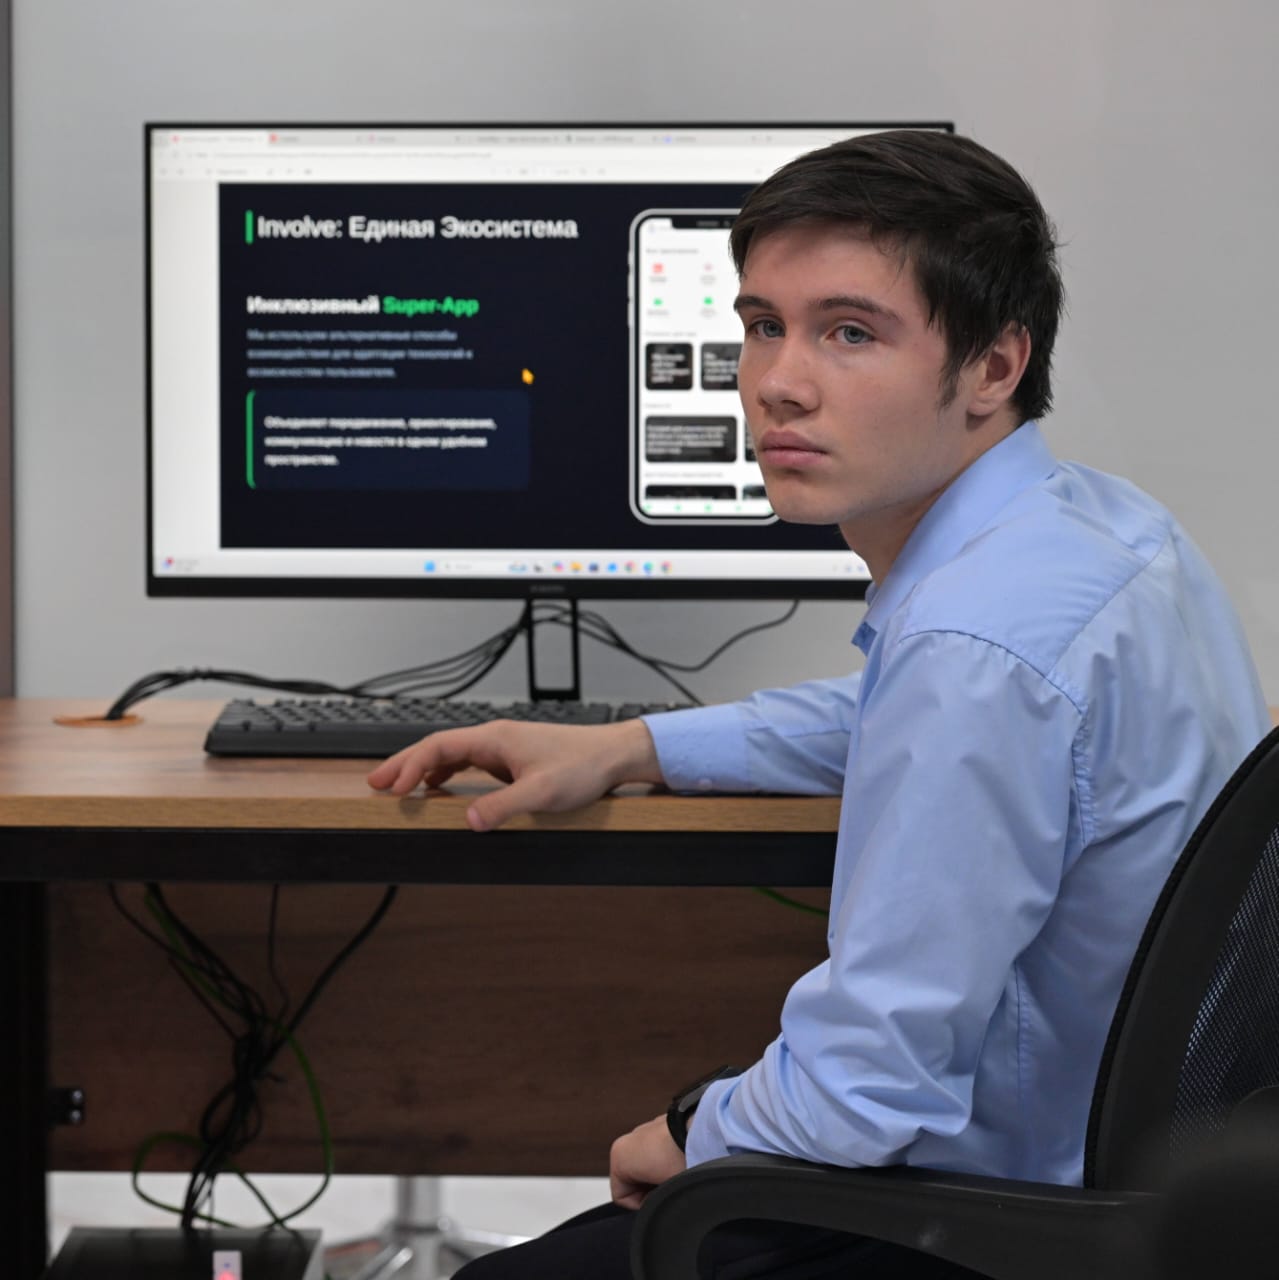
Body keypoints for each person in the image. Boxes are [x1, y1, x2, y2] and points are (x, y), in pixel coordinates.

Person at [367, 130, 1270, 1279]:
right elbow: (907, 717)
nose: (777, 382)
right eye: (763, 325)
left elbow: (866, 1089)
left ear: (993, 366)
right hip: (1126, 1183)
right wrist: (634, 744)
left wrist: (689, 1130)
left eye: (849, 332)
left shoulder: (973, 643)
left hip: (990, 1224)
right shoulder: (1097, 529)